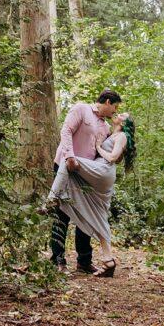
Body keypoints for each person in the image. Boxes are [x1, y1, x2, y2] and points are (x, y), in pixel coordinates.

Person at [44, 112, 136, 276]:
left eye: (122, 114)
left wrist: (99, 147)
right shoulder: (110, 132)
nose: (118, 112)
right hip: (99, 173)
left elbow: (114, 157)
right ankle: (109, 261)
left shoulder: (122, 135)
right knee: (99, 215)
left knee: (68, 160)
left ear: (124, 123)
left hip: (102, 170)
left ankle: (51, 199)